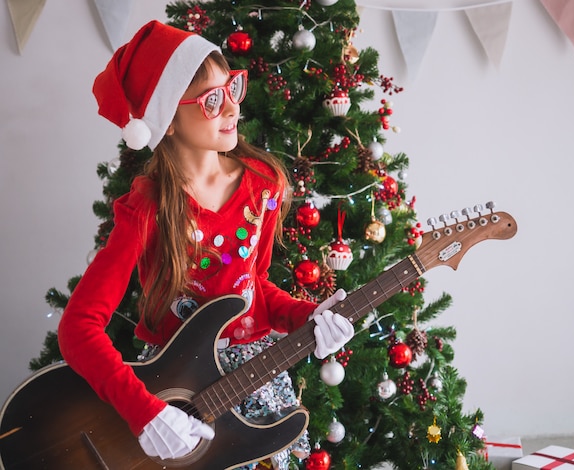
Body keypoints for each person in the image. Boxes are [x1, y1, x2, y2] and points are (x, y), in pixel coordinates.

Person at [57, 20, 353, 468]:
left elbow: (254, 289)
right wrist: (146, 414)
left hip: (257, 384)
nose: (233, 109)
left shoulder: (262, 184)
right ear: (167, 120)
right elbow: (77, 329)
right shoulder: (147, 208)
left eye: (232, 88)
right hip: (176, 390)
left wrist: (306, 316)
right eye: (212, 100)